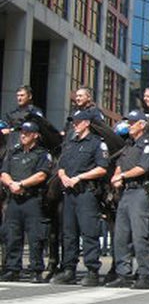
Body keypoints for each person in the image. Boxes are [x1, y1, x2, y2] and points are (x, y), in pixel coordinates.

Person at [51, 110, 109, 286]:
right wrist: (63, 177)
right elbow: (61, 165)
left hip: (86, 193)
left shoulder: (97, 144)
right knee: (69, 233)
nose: (74, 124)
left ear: (87, 123)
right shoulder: (69, 143)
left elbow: (102, 168)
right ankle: (69, 269)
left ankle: (92, 271)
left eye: (77, 122)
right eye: (73, 122)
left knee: (89, 232)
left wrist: (80, 177)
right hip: (69, 193)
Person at [105, 110, 149, 289]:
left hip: (140, 192)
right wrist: (117, 175)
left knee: (139, 235)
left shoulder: (148, 145)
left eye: (133, 123)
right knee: (121, 235)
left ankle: (145, 274)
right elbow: (120, 164)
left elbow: (143, 167)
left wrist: (123, 176)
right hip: (126, 192)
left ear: (142, 125)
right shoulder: (129, 145)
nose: (129, 126)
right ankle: (123, 273)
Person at [0, 121, 51, 283]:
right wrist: (11, 184)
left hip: (32, 199)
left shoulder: (42, 154)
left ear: (35, 135)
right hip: (14, 200)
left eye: (27, 133)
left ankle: (36, 270)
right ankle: (12, 268)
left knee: (36, 236)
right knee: (12, 235)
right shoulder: (13, 152)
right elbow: (3, 173)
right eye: (22, 132)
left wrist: (21, 184)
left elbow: (42, 175)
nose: (23, 135)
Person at [1, 86, 44, 150]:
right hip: (11, 147)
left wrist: (12, 130)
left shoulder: (35, 112)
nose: (19, 98)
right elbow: (5, 126)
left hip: (29, 148)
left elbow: (34, 127)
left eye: (22, 95)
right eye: (18, 96)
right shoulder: (12, 113)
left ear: (29, 96)